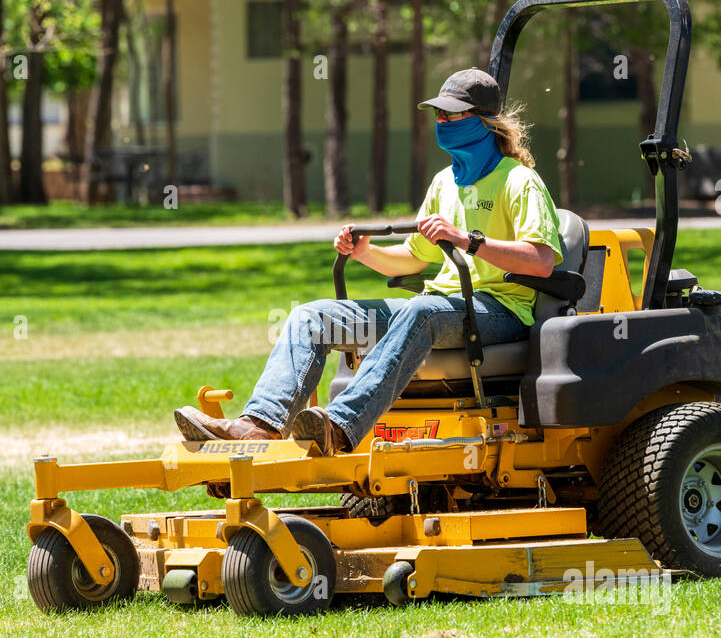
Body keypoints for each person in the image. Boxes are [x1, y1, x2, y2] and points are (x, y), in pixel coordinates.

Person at [174, 67, 564, 455]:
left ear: (483, 121)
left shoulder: (520, 181)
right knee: (311, 317)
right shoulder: (446, 181)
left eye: (452, 113)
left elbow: (542, 261)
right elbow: (413, 259)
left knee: (422, 311)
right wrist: (363, 252)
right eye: (438, 113)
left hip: (500, 311)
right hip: (440, 308)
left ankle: (340, 428)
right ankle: (259, 425)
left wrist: (468, 240)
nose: (441, 121)